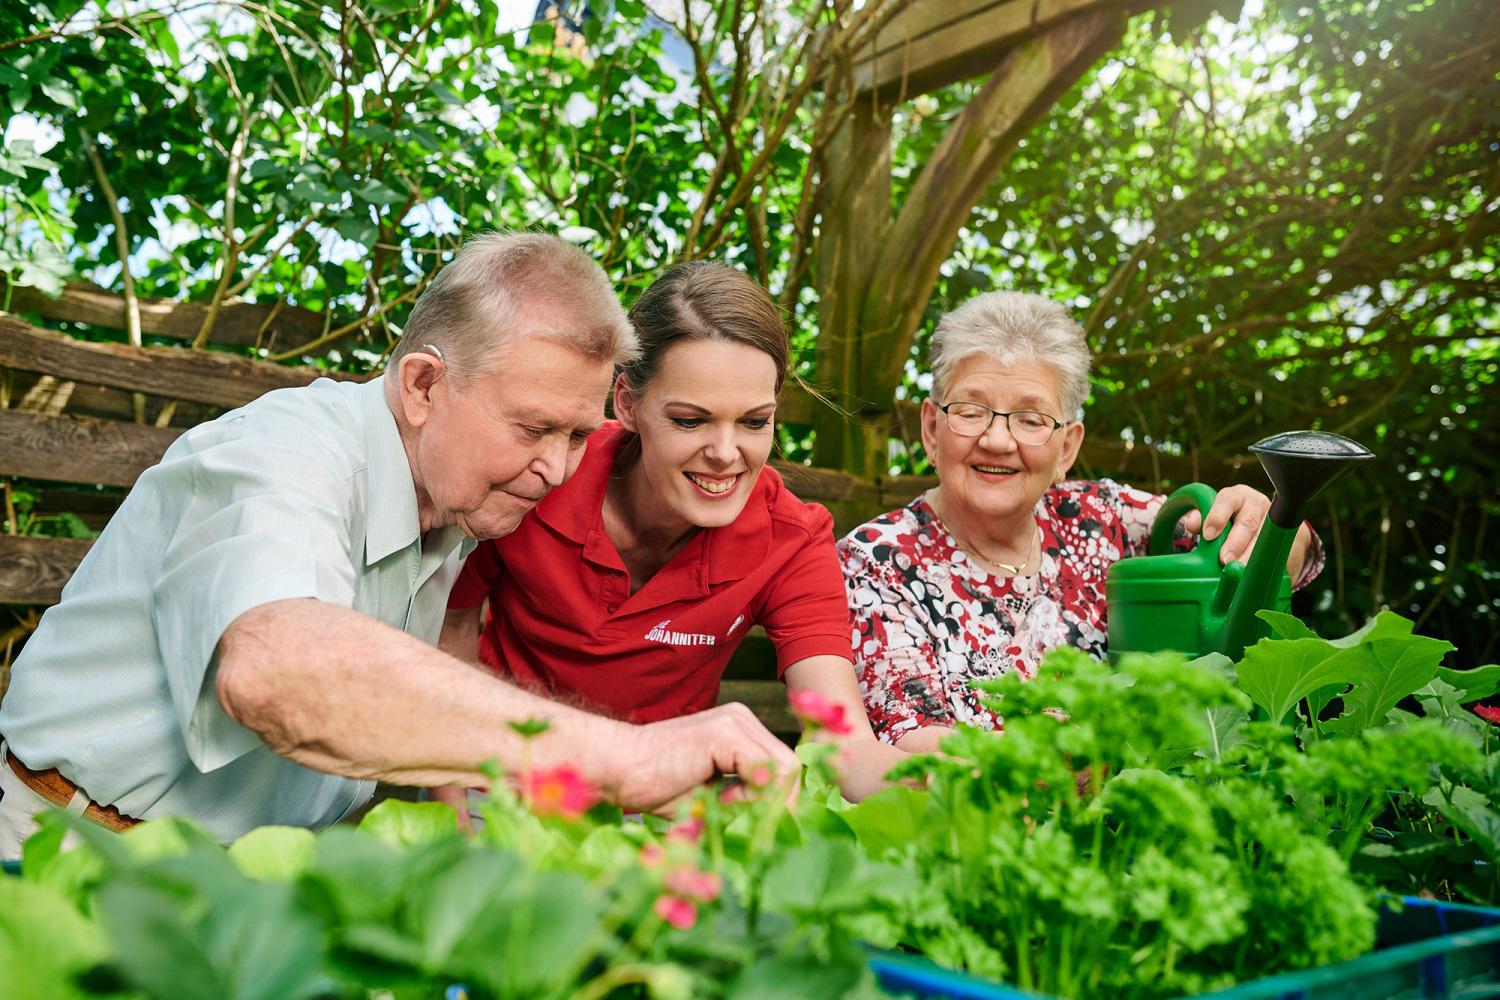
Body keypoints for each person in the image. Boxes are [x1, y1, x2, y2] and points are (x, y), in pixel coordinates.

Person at [0, 233, 796, 860]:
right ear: (422, 386)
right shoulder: (281, 454)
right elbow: (280, 673)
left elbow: (417, 705)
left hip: (257, 886)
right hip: (75, 860)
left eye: (580, 436)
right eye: (533, 429)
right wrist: (627, 756)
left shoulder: (454, 503)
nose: (556, 469)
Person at [434, 261, 903, 817]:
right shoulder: (543, 471)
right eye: (690, 421)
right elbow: (453, 627)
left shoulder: (792, 539)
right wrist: (451, 811)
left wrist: (956, 775)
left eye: (754, 422)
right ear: (628, 404)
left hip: (657, 811)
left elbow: (840, 738)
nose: (727, 454)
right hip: (500, 781)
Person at [838, 291, 1323, 752]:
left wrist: (1262, 526)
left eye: (1030, 419)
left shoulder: (1101, 518)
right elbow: (913, 738)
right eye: (971, 411)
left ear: (1066, 447)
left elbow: (1291, 556)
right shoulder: (876, 561)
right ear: (931, 428)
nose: (998, 440)